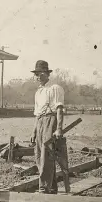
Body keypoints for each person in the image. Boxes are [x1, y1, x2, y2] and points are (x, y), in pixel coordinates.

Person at [30, 60, 66, 194]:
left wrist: (59, 128)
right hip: (40, 121)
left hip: (51, 120)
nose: (38, 77)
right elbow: (37, 114)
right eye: (36, 74)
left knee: (47, 154)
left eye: (41, 73)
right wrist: (34, 131)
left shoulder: (55, 88)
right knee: (39, 155)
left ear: (47, 74)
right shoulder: (38, 92)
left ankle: (44, 187)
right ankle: (51, 187)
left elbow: (59, 109)